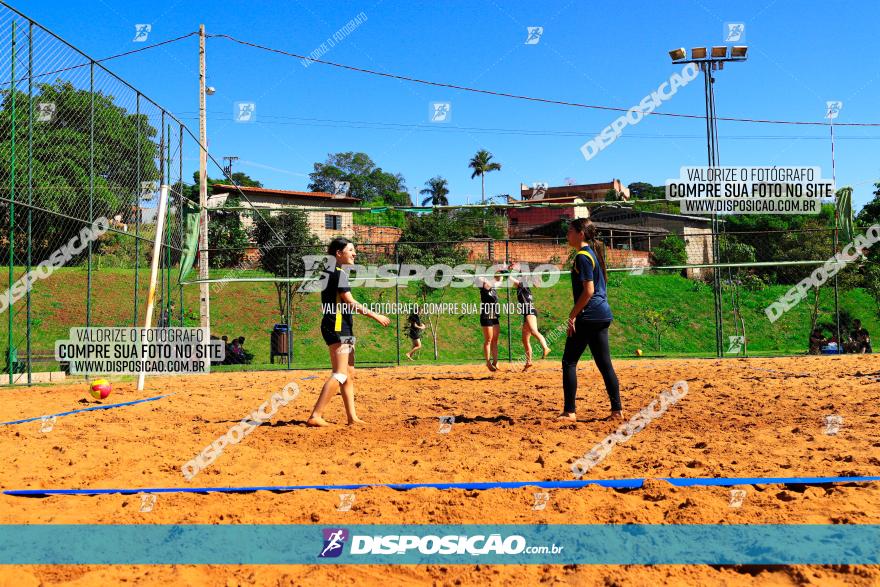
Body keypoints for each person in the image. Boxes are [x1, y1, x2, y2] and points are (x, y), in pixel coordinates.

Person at [308, 238, 391, 427]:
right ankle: (316, 415)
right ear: (339, 253)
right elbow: (350, 301)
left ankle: (352, 418)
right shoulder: (338, 273)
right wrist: (375, 315)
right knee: (340, 373)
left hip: (340, 325)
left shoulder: (332, 271)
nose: (354, 254)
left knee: (349, 373)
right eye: (351, 250)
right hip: (337, 326)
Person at [560, 218, 622, 421]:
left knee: (569, 361)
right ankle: (616, 410)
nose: (567, 234)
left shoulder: (582, 257)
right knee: (605, 365)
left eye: (570, 231)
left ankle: (569, 412)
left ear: (581, 234)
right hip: (601, 314)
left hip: (589, 315)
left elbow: (589, 291)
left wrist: (572, 315)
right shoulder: (593, 253)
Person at [510, 266, 550, 371]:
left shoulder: (523, 285)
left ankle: (545, 347)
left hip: (529, 312)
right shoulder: (523, 286)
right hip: (528, 312)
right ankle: (528, 362)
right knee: (525, 339)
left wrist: (513, 269)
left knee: (533, 331)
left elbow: (510, 278)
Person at [477, 270, 502, 371]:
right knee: (488, 340)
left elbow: (499, 279)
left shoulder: (492, 287)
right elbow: (488, 282)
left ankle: (495, 362)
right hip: (486, 314)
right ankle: (488, 362)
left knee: (495, 340)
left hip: (494, 314)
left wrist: (503, 270)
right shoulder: (484, 287)